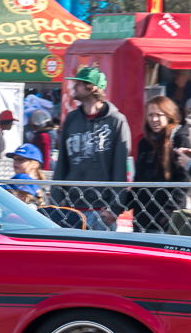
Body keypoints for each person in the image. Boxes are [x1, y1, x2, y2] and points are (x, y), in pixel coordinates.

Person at [53, 66, 132, 230]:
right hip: (71, 209)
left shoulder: (116, 121)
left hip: (101, 211)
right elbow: (61, 164)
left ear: (93, 88)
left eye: (79, 83)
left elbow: (120, 168)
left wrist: (115, 208)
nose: (74, 86)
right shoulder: (71, 119)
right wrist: (55, 203)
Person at [130, 96, 191, 232]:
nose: (154, 119)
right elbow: (138, 182)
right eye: (150, 115)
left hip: (168, 222)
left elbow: (183, 181)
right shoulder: (144, 143)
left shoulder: (180, 141)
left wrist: (168, 212)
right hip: (141, 220)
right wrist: (119, 207)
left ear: (169, 115)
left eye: (159, 115)